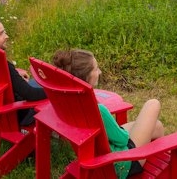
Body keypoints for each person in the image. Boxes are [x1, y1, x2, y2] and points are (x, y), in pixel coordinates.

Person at [51, 49, 165, 179]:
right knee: (153, 104)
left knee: (157, 126)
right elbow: (122, 139)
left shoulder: (69, 103)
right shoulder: (98, 110)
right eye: (96, 69)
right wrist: (123, 131)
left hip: (98, 153)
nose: (99, 72)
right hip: (123, 163)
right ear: (86, 77)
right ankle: (162, 166)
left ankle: (161, 157)